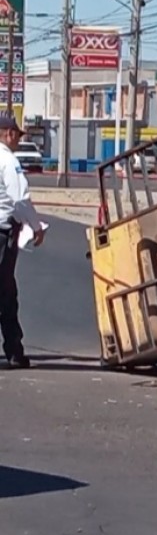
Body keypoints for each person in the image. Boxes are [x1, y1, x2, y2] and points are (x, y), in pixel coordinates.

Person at [0, 113, 45, 370]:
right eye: (17, 135)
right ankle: (14, 352)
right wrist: (37, 227)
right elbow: (19, 199)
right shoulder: (7, 160)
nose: (18, 140)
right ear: (9, 134)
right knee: (6, 294)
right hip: (2, 231)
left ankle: (14, 350)